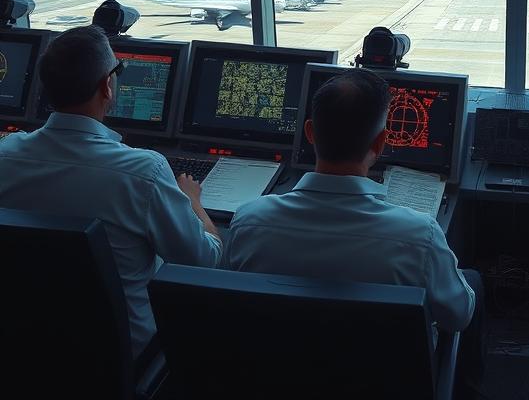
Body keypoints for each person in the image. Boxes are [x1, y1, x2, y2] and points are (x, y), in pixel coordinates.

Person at [0, 26, 221, 356]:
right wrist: (193, 203)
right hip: (123, 354)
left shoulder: (5, 155)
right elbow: (203, 261)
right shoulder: (144, 172)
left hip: (24, 346)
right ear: (107, 85)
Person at [222, 67, 479, 335]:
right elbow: (458, 317)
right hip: (380, 376)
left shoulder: (248, 221)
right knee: (472, 282)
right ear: (380, 143)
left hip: (276, 373)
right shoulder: (419, 236)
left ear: (310, 133)